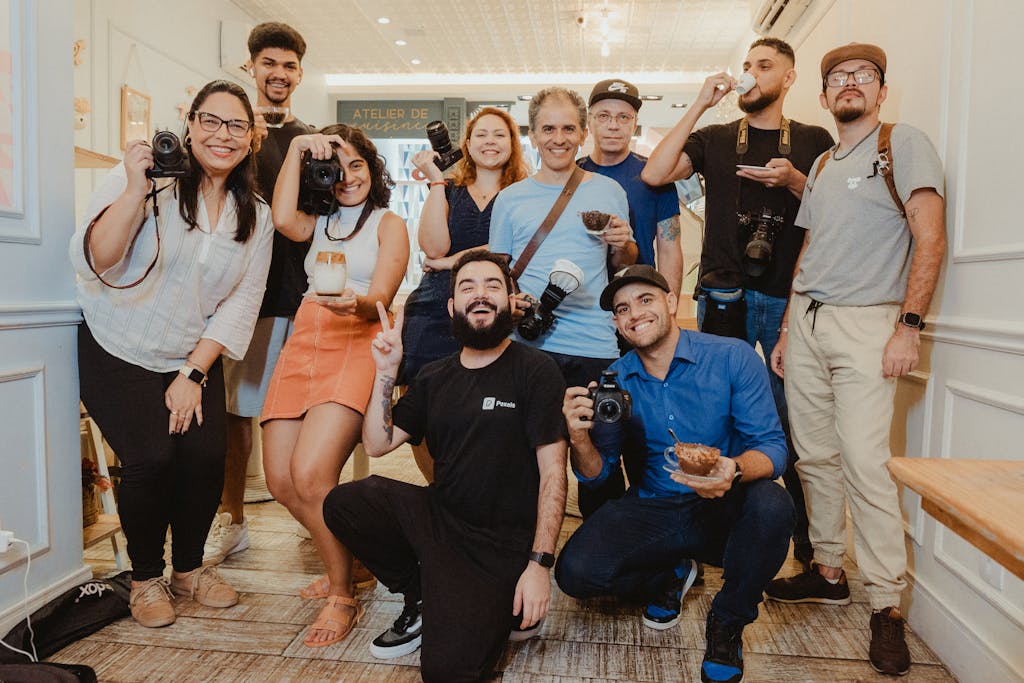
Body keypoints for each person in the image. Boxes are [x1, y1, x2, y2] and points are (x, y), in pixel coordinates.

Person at [765, 43, 946, 677]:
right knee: (813, 454)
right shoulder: (820, 162)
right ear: (822, 96)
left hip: (871, 323)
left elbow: (930, 235)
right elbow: (811, 248)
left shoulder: (903, 144)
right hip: (810, 323)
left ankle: (886, 606)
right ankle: (828, 569)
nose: (850, 84)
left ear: (880, 91)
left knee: (866, 463)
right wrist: (788, 329)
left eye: (863, 76)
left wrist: (909, 326)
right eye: (838, 77)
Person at [71, 80, 274, 628]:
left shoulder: (254, 214)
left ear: (252, 138)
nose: (222, 135)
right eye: (211, 120)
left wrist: (192, 370)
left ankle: (188, 570)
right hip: (115, 345)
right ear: (189, 124)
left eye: (236, 125)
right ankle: (144, 579)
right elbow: (100, 259)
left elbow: (241, 303)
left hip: (190, 354)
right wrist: (136, 190)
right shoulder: (143, 181)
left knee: (207, 456)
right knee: (153, 457)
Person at [323, 251, 567, 682]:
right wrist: (385, 373)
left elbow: (553, 473)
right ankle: (420, 595)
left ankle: (503, 607)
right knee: (346, 500)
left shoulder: (536, 370)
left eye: (493, 285)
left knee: (448, 671)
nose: (480, 295)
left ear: (511, 301)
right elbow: (377, 444)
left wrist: (538, 566)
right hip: (441, 519)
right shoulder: (434, 376)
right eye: (467, 287)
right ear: (453, 307)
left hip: (499, 544)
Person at [643, 38, 834, 567]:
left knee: (791, 415)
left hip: (787, 298)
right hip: (723, 290)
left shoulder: (816, 139)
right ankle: (711, 529)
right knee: (711, 411)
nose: (751, 74)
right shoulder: (718, 137)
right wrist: (701, 102)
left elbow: (837, 214)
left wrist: (796, 181)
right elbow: (655, 173)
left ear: (790, 78)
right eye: (747, 65)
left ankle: (804, 538)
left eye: (764, 66)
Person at [556, 265, 792, 683]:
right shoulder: (616, 379)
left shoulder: (731, 356)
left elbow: (774, 449)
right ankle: (669, 574)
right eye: (622, 308)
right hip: (653, 507)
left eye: (646, 300)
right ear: (616, 322)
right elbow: (598, 476)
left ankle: (728, 620)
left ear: (669, 301)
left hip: (721, 502)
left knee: (773, 504)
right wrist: (578, 439)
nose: (634, 314)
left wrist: (732, 469)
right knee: (574, 574)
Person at [260, 124, 410, 647]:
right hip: (305, 335)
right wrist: (301, 145)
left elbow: (384, 296)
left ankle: (342, 592)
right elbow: (282, 217)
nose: (347, 178)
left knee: (311, 474)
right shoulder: (318, 219)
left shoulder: (390, 223)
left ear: (372, 169)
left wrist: (360, 303)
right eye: (337, 167)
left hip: (357, 335)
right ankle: (355, 559)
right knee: (279, 480)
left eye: (358, 166)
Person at [489, 86, 637, 518]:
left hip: (595, 345)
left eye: (569, 128)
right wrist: (512, 303)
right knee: (524, 462)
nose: (559, 138)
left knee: (601, 466)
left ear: (584, 132)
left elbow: (621, 263)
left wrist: (624, 244)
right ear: (532, 135)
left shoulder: (609, 191)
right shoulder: (510, 199)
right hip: (527, 348)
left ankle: (601, 561)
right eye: (548, 129)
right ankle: (521, 556)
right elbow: (500, 273)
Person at [205, 20, 311, 567]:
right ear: (251, 67)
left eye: (289, 65)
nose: (279, 73)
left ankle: (316, 512)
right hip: (239, 299)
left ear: (299, 73)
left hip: (300, 297)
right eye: (269, 63)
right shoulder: (234, 135)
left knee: (308, 415)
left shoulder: (312, 140)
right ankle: (235, 519)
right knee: (234, 416)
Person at [399, 107, 529, 483]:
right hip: (435, 306)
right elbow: (433, 248)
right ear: (467, 144)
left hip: (494, 309)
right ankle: (439, 490)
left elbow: (512, 248)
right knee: (423, 405)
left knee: (488, 409)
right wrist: (436, 181)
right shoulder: (449, 190)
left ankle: (479, 491)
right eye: (481, 134)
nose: (490, 142)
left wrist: (454, 260)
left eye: (499, 134)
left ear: (512, 144)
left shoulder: (524, 194)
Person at [578, 78, 682, 294]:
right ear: (590, 121)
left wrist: (669, 304)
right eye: (603, 116)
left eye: (623, 117)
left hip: (638, 292)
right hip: (581, 296)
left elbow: (669, 250)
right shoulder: (573, 174)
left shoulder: (655, 176)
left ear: (634, 124)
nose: (613, 126)